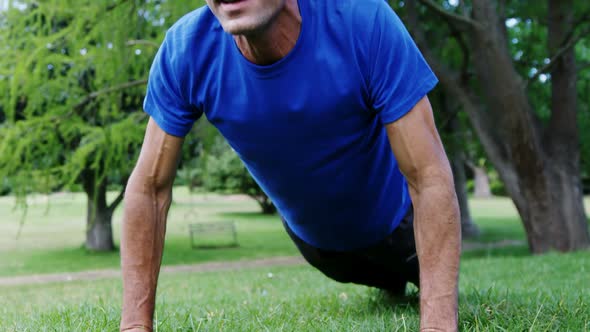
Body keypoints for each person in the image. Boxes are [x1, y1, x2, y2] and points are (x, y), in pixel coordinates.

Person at [120, 0, 461, 331]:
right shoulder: (186, 50)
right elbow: (149, 188)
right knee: (378, 279)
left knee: (407, 275)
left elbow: (428, 176)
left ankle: (400, 281)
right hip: (321, 250)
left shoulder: (364, 19)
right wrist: (135, 325)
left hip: (402, 233)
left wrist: (438, 324)